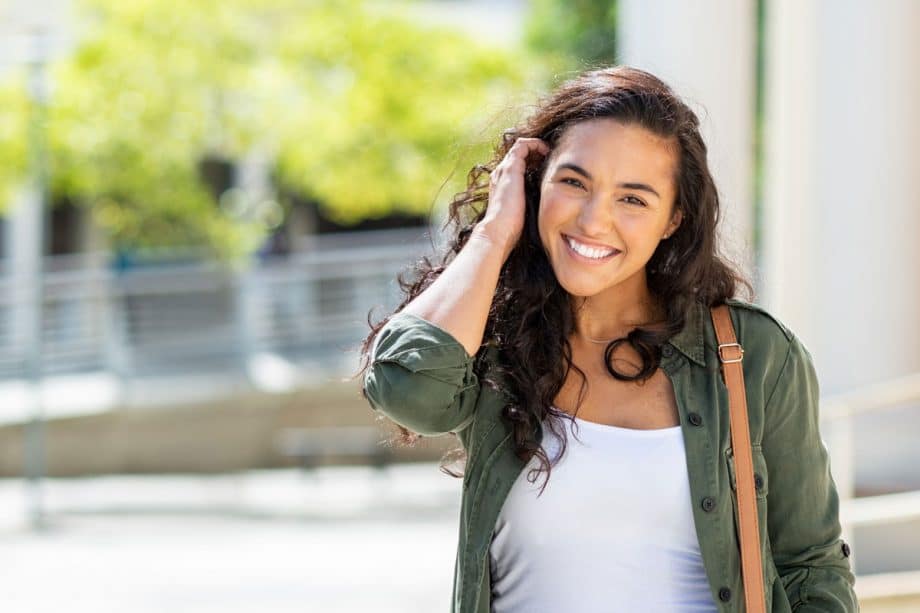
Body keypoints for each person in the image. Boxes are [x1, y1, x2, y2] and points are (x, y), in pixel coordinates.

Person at [358, 65, 858, 613]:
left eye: (634, 199)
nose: (594, 221)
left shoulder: (752, 354)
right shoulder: (494, 341)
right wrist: (495, 233)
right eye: (574, 182)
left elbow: (811, 566)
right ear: (535, 183)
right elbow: (407, 392)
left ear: (674, 219)